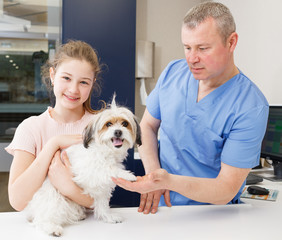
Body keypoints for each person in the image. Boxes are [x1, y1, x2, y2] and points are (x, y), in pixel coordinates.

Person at [113, 2, 269, 214]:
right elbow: (147, 126)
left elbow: (226, 189)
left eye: (203, 48)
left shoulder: (250, 106)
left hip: (212, 215)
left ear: (231, 42)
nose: (192, 59)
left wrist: (166, 181)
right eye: (187, 47)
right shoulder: (172, 72)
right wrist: (154, 175)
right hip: (162, 208)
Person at [6, 40, 103, 211]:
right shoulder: (30, 128)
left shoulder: (101, 127)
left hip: (90, 229)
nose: (73, 89)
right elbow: (17, 201)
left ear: (92, 84)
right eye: (66, 78)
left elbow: (102, 201)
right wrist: (53, 144)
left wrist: (68, 187)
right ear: (52, 76)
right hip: (43, 229)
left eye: (84, 82)